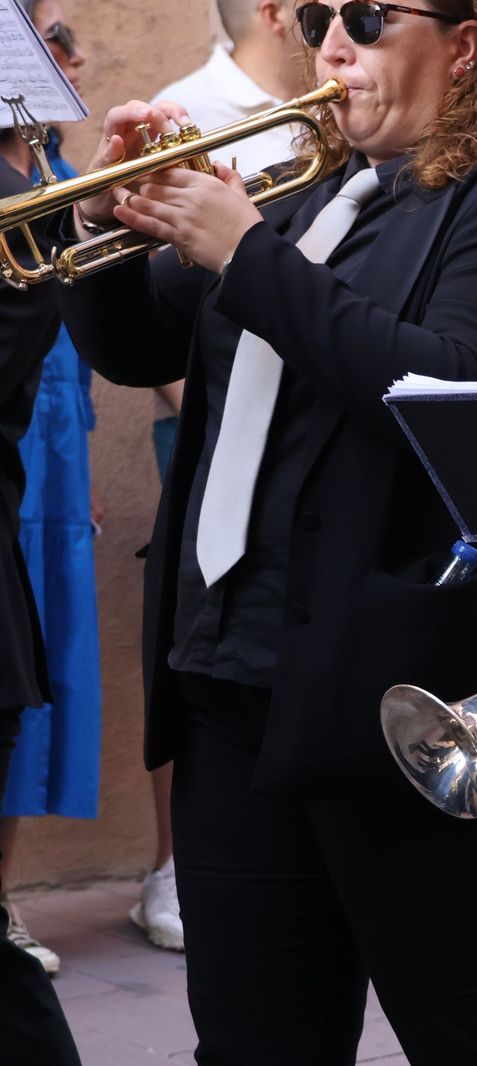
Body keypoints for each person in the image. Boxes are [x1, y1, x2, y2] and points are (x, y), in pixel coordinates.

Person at [49, 0, 477, 1062]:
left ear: (467, 44)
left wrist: (246, 255)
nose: (331, 42)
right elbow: (135, 347)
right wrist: (102, 230)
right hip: (231, 695)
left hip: (409, 709)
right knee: (252, 1044)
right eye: (316, 14)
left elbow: (458, 391)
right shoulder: (296, 196)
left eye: (365, 15)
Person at [124, 0, 310, 958]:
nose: (339, 30)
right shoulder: (191, 107)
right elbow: (161, 306)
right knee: (200, 626)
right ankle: (174, 864)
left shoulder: (330, 120)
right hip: (210, 413)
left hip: (297, 409)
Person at [0, 0, 98, 979]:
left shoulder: (50, 183)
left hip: (45, 453)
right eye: (50, 35)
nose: (68, 51)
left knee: (29, 679)